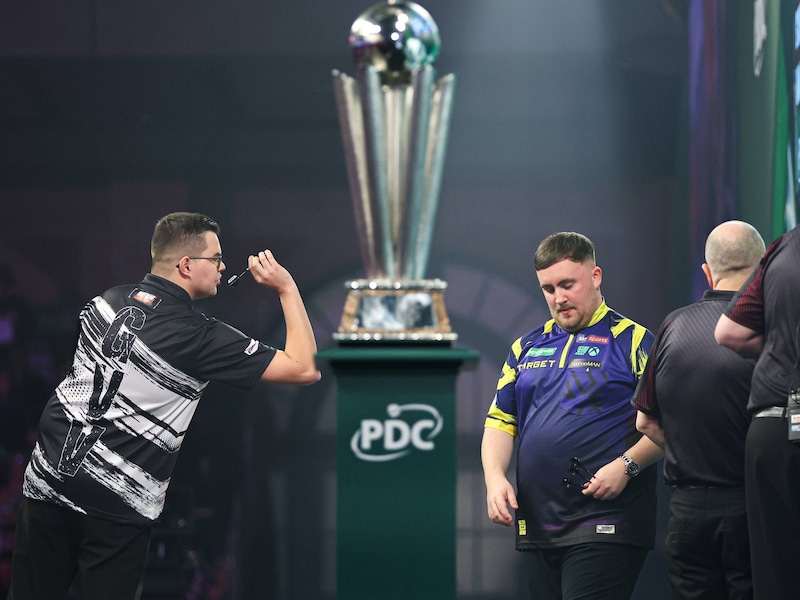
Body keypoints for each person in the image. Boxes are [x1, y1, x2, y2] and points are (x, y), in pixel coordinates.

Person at [6, 212, 321, 600]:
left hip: (48, 477)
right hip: (117, 500)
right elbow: (305, 368)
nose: (224, 267)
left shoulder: (103, 302)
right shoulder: (200, 335)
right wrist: (286, 288)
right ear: (186, 265)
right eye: (216, 258)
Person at [481, 231, 663, 600]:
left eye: (567, 285)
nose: (558, 298)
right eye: (548, 289)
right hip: (537, 526)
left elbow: (674, 423)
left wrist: (627, 466)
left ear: (595, 276)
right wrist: (494, 479)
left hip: (607, 523)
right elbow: (500, 422)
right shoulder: (525, 347)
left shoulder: (635, 341)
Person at [633, 220, 765, 600]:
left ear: (707, 272)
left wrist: (692, 451)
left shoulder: (673, 325)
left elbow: (645, 421)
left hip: (687, 512)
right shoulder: (773, 325)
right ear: (761, 269)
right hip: (752, 504)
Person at [715, 223, 800, 600]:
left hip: (773, 427)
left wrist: (780, 344)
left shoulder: (783, 248)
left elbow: (728, 332)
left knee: (775, 575)